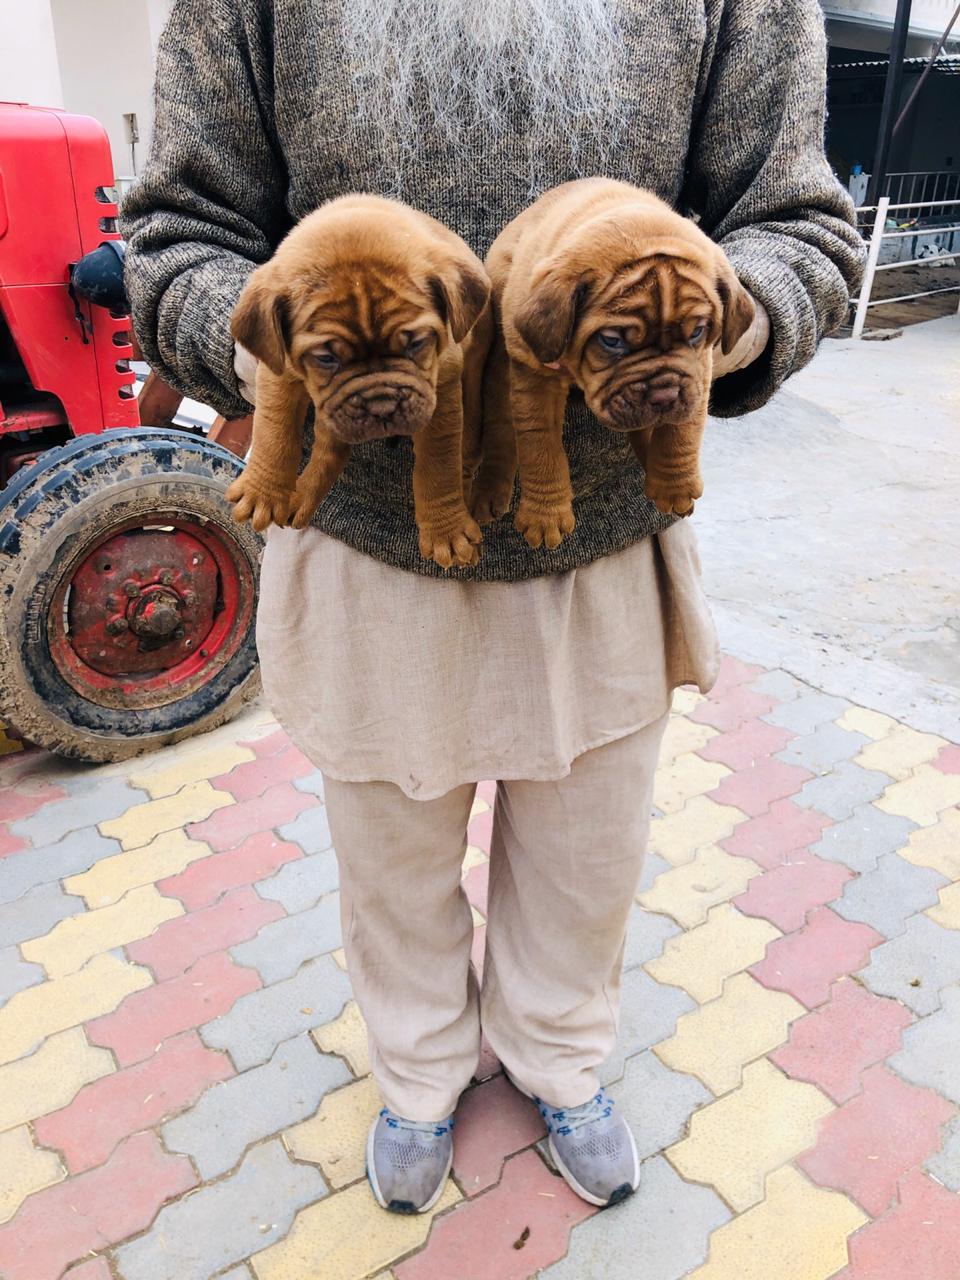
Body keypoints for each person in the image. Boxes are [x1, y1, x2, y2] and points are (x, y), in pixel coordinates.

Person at [122, 0, 865, 1214]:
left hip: (605, 530)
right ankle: (420, 1069)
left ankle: (557, 1055)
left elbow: (797, 224)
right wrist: (292, 344)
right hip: (367, 537)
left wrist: (701, 333)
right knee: (389, 857)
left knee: (588, 857)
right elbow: (176, 231)